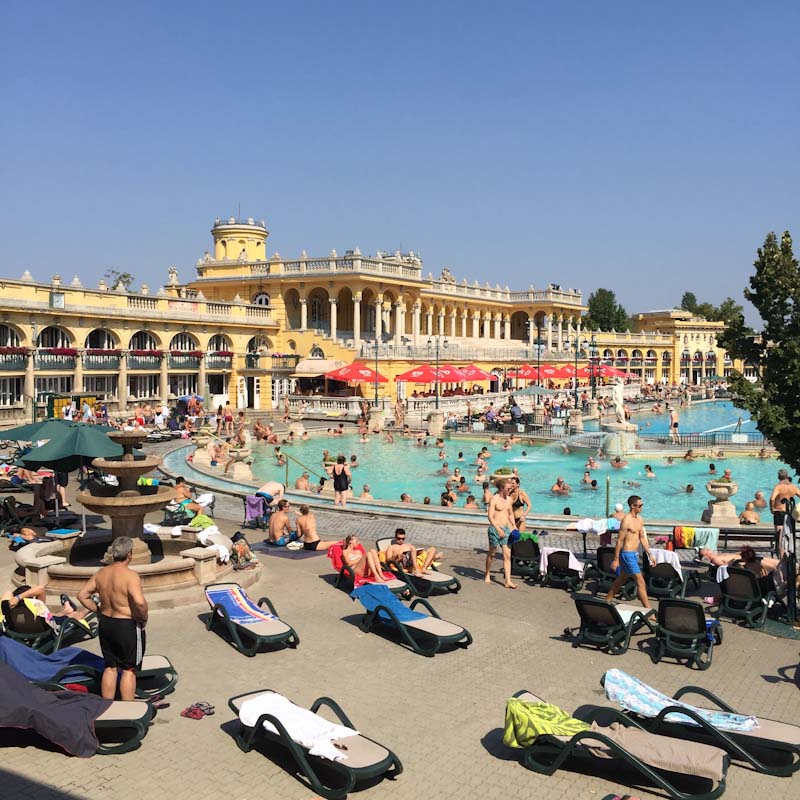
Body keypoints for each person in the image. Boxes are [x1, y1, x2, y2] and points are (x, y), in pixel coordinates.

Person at [77, 537, 148, 701]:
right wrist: (143, 617)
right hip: (126, 625)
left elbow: (82, 595)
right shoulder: (131, 576)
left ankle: (107, 706)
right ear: (129, 554)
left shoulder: (101, 573)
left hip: (106, 624)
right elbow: (139, 602)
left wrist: (99, 611)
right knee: (129, 669)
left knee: (110, 666)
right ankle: (128, 711)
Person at [605, 495, 655, 609]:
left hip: (634, 554)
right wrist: (616, 559)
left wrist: (649, 553)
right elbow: (620, 540)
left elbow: (642, 537)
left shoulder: (640, 519)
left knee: (622, 578)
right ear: (633, 506)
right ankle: (648, 610)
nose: (642, 507)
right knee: (640, 581)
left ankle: (607, 600)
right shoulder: (626, 520)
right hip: (627, 554)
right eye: (640, 505)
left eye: (642, 505)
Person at [484, 479, 517, 589]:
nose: (510, 490)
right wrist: (498, 529)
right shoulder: (494, 499)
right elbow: (490, 517)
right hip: (494, 529)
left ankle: (508, 581)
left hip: (506, 529)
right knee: (492, 553)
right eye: (508, 488)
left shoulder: (509, 499)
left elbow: (510, 513)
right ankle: (487, 573)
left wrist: (514, 525)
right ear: (502, 488)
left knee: (507, 556)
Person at [769, 469, 800, 539]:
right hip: (790, 512)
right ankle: (788, 548)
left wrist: (772, 508)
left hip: (779, 511)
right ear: (787, 476)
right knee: (789, 532)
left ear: (778, 477)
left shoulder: (778, 487)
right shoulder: (793, 487)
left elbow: (772, 498)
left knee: (779, 534)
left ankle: (780, 549)